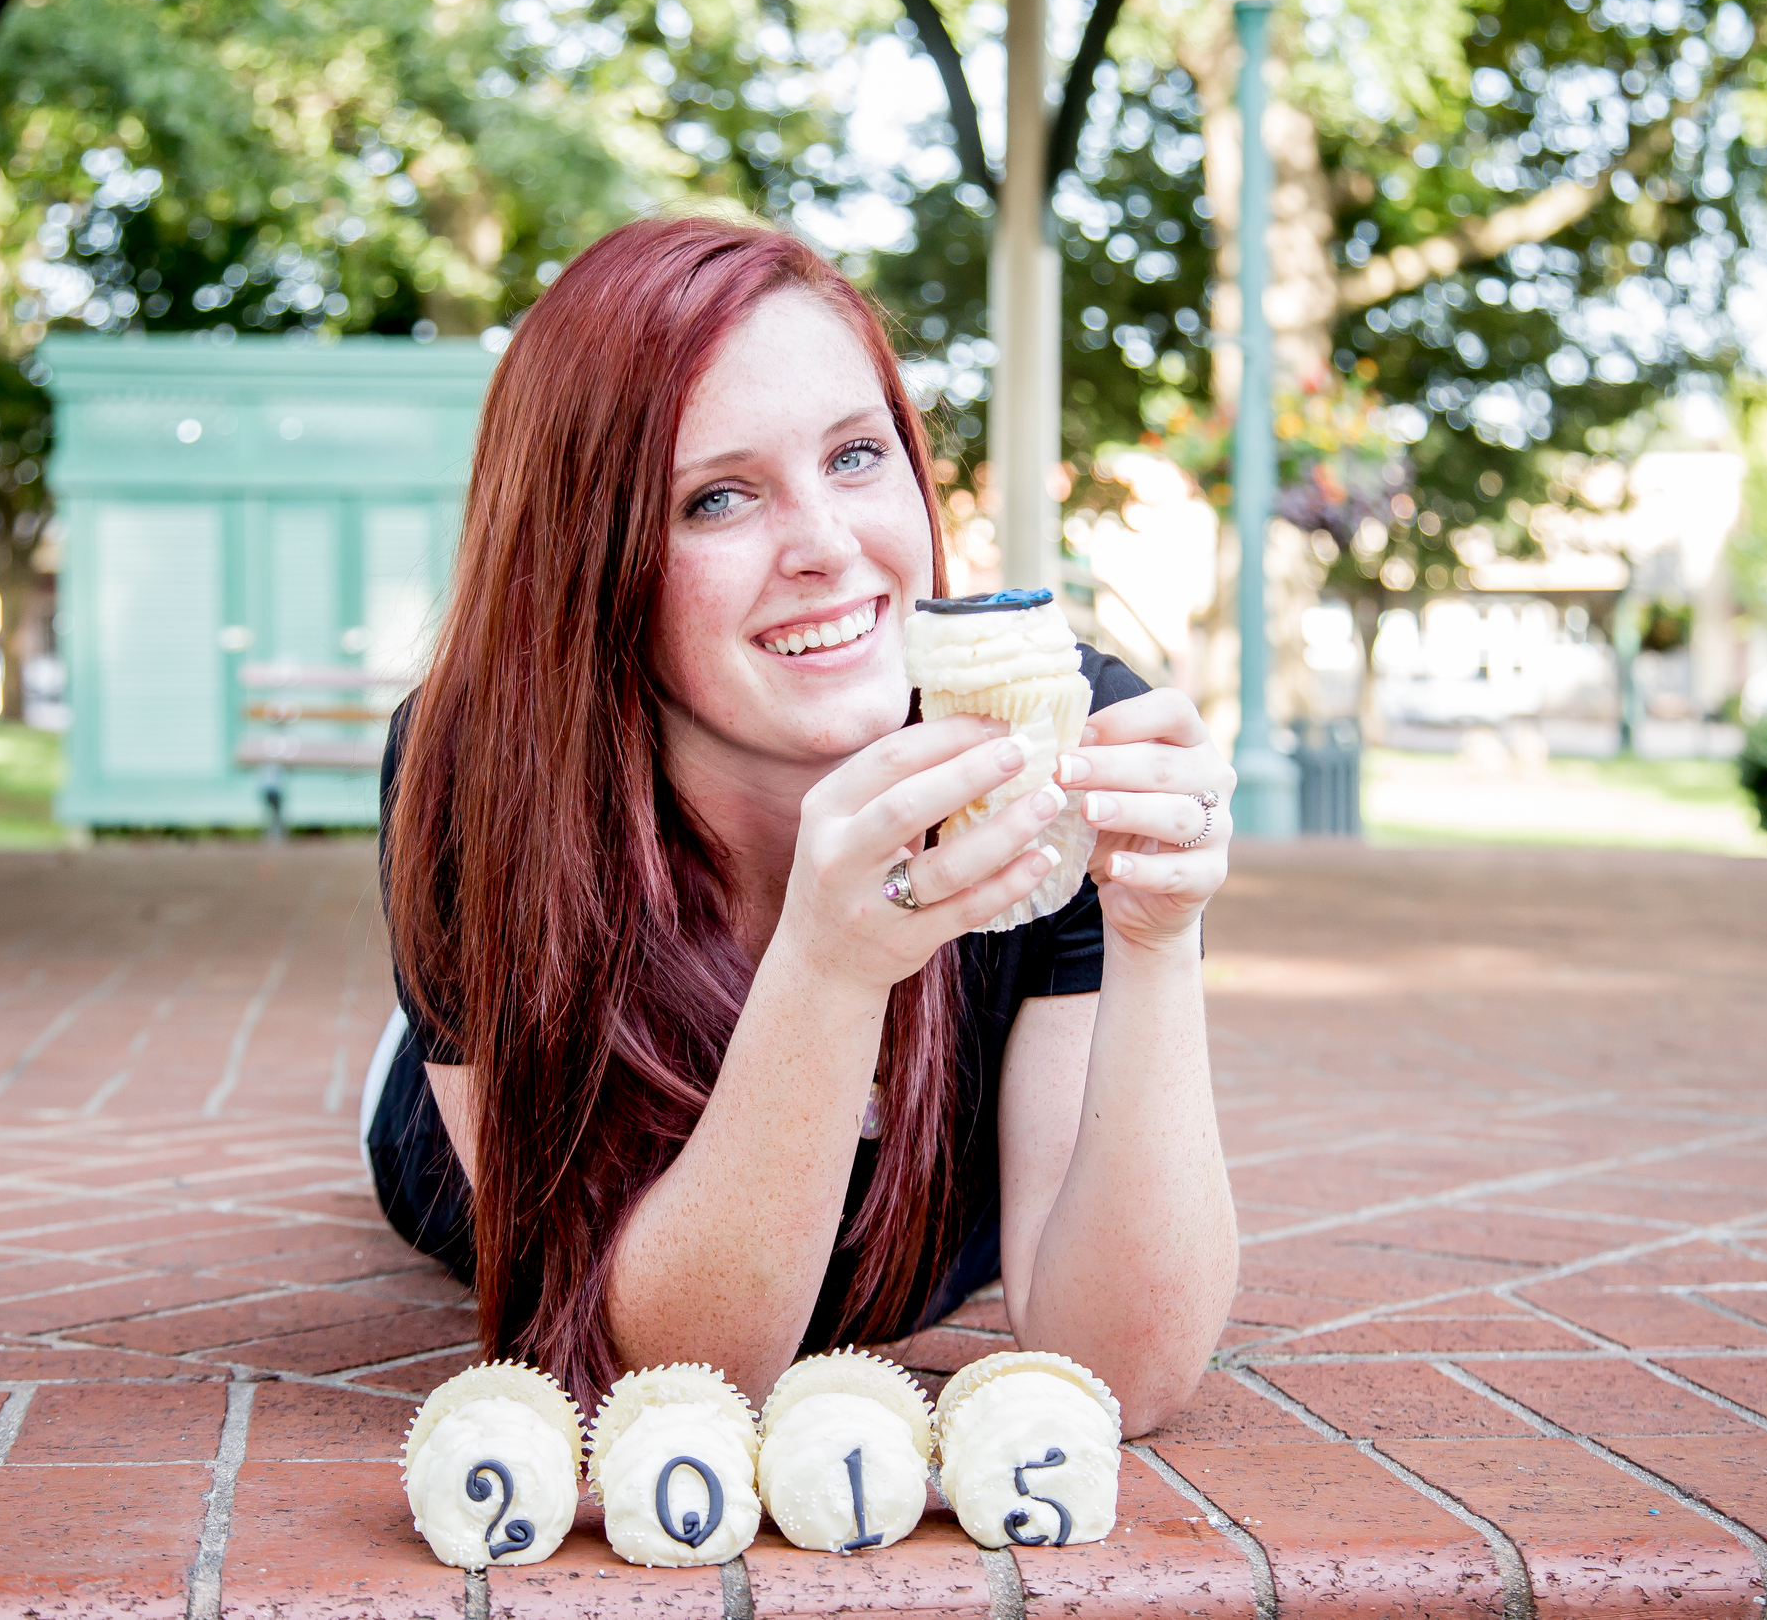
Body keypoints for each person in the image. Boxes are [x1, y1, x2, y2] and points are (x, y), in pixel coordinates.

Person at [370, 213, 1235, 1435]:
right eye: (717, 498)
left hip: (927, 1201)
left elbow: (1118, 1377)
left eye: (853, 456)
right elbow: (661, 1382)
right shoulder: (484, 765)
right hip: (516, 1137)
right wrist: (831, 963)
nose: (828, 547)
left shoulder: (1070, 729)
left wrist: (1157, 941)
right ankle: (413, 1033)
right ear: (587, 557)